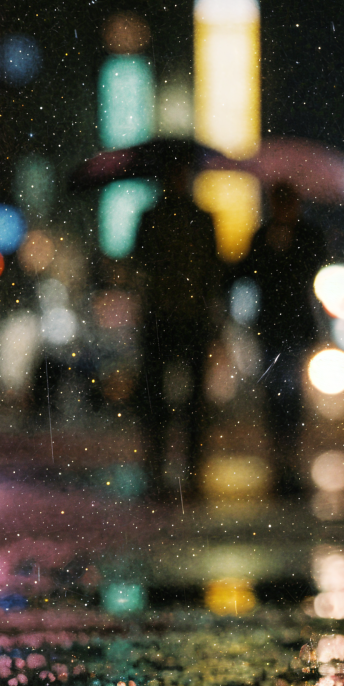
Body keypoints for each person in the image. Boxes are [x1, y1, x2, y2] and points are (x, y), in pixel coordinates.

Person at [132, 149, 224, 500]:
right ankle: (174, 469)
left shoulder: (161, 217)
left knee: (174, 401)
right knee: (173, 401)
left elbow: (139, 263)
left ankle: (173, 468)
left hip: (175, 317)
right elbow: (213, 272)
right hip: (175, 317)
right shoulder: (193, 218)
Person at [232, 182, 328, 498]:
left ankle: (290, 459)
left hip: (294, 327)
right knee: (276, 395)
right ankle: (281, 459)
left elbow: (314, 266)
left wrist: (283, 250)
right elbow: (246, 271)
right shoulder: (263, 236)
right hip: (272, 328)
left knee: (291, 395)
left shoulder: (307, 235)